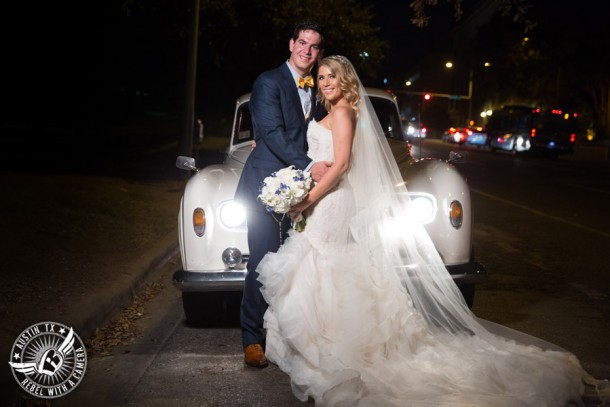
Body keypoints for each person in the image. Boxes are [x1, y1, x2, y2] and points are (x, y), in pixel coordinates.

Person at [256, 55, 608, 405]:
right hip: (323, 199)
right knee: (322, 268)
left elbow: (344, 164)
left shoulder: (345, 112)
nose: (326, 82)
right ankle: (321, 341)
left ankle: (334, 346)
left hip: (331, 200)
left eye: (332, 75)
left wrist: (309, 198)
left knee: (327, 265)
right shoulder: (329, 113)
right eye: (321, 77)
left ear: (345, 78)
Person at [234, 21, 333, 368]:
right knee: (262, 261)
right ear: (291, 45)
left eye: (314, 46)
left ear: (319, 52)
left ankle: (286, 335)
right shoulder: (268, 81)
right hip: (264, 184)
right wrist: (309, 165)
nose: (307, 50)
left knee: (294, 263)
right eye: (302, 42)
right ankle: (251, 338)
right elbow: (273, 133)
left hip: (302, 189)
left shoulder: (319, 90)